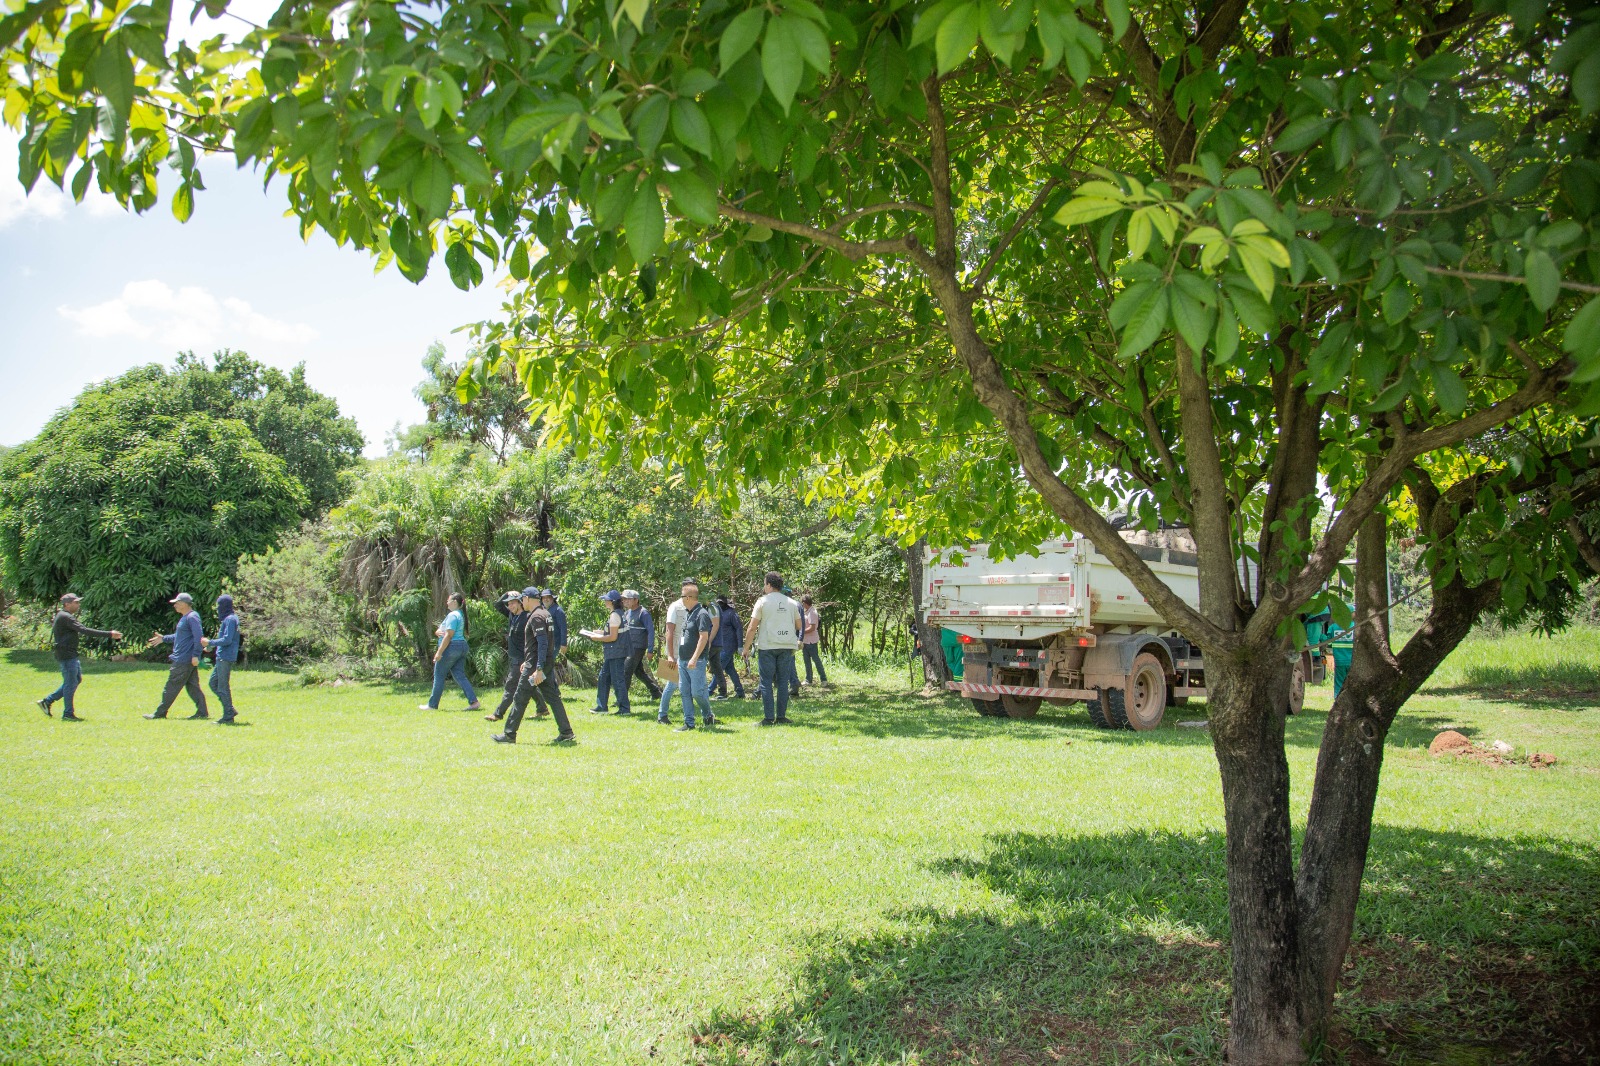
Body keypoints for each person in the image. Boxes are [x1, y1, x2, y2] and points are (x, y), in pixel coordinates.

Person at [493, 588, 574, 744]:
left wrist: (537, 668)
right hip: (542, 663)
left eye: (523, 599)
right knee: (553, 698)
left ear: (529, 599)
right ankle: (566, 732)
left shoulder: (536, 617)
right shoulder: (545, 614)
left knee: (519, 697)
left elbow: (543, 643)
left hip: (536, 666)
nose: (522, 602)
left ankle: (509, 735)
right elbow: (540, 644)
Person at [37, 592, 121, 721]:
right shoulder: (65, 617)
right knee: (70, 683)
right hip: (66, 654)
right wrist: (109, 634)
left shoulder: (64, 616)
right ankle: (68, 714)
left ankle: (47, 701)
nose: (78, 605)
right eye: (75, 602)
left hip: (69, 653)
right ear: (67, 604)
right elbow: (84, 630)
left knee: (75, 680)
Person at [743, 572, 799, 725]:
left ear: (769, 585)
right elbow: (799, 625)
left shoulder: (762, 601)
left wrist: (746, 648)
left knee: (766, 682)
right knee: (782, 682)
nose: (764, 587)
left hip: (768, 646)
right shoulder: (791, 603)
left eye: (764, 584)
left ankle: (768, 718)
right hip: (786, 646)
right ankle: (781, 717)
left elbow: (752, 627)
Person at [144, 592, 209, 720]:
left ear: (184, 604)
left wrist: (196, 655)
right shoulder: (186, 617)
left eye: (177, 603)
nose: (175, 606)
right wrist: (164, 638)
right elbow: (180, 636)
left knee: (171, 686)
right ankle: (202, 712)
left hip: (184, 659)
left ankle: (159, 713)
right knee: (192, 687)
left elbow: (198, 637)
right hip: (185, 659)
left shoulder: (191, 617)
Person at [419, 592, 480, 711]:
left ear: (454, 602)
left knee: (439, 675)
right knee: (460, 675)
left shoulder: (453, 615)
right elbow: (441, 629)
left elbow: (449, 635)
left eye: (448, 600)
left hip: (451, 648)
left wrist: (439, 652)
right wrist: (437, 632)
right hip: (462, 647)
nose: (446, 602)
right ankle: (474, 702)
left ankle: (432, 705)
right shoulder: (459, 614)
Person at [674, 578, 716, 731]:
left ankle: (707, 714)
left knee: (697, 692)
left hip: (696, 661)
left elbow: (703, 637)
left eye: (682, 596)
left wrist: (694, 658)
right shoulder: (688, 613)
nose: (681, 599)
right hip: (683, 660)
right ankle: (689, 723)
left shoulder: (702, 614)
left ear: (689, 598)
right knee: (685, 692)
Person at [585, 590, 631, 714]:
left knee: (617, 680)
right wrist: (600, 632)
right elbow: (614, 632)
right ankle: (602, 706)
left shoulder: (614, 615)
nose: (605, 602)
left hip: (615, 652)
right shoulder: (620, 613)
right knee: (603, 677)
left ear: (612, 602)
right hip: (615, 652)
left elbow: (613, 637)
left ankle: (624, 708)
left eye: (606, 600)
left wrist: (597, 638)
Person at [486, 590, 527, 722]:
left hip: (522, 658)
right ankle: (542, 707)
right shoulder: (511, 615)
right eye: (508, 604)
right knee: (529, 685)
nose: (510, 606)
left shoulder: (526, 617)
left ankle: (498, 713)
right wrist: (507, 593)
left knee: (511, 686)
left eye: (513, 603)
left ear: (520, 603)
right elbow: (498, 605)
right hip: (514, 656)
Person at [204, 593, 243, 724]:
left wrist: (210, 642)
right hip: (222, 656)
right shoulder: (229, 619)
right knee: (213, 683)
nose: (218, 608)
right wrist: (211, 646)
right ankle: (230, 710)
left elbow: (227, 640)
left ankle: (228, 716)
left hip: (225, 657)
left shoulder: (230, 619)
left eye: (219, 605)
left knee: (222, 687)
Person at [619, 589, 662, 704]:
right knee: (638, 672)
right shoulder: (627, 613)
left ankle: (622, 700)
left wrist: (650, 649)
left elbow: (651, 631)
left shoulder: (643, 613)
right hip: (628, 646)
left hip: (637, 647)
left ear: (636, 600)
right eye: (624, 599)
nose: (625, 601)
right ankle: (655, 691)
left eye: (628, 599)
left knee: (626, 671)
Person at [655, 592, 687, 724]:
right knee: (672, 684)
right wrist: (670, 655)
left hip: (688, 651)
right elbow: (669, 631)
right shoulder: (675, 607)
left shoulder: (694, 606)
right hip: (676, 652)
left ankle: (707, 715)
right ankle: (662, 715)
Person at [710, 595, 746, 700]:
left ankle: (709, 690)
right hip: (722, 646)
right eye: (718, 603)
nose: (720, 605)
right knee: (730, 670)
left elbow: (739, 629)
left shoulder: (731, 613)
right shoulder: (717, 613)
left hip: (729, 647)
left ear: (725, 603)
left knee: (718, 669)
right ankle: (740, 692)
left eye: (722, 603)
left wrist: (740, 646)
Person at [800, 594, 828, 687]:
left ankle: (823, 679)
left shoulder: (812, 612)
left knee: (816, 660)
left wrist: (801, 632)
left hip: (811, 641)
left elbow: (812, 628)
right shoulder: (806, 611)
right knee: (806, 661)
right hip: (805, 641)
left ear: (805, 603)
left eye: (802, 603)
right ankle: (809, 679)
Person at [542, 588, 569, 682]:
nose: (545, 599)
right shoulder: (543, 609)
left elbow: (563, 628)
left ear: (552, 598)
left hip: (554, 644)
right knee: (546, 665)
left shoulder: (558, 610)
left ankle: (551, 688)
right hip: (545, 643)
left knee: (547, 665)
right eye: (543, 598)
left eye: (548, 597)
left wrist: (563, 644)